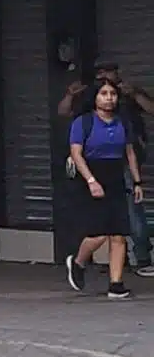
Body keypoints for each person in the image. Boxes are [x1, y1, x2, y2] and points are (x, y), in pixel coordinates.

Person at [58, 60, 154, 277]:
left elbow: (131, 146)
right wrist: (71, 94)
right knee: (100, 229)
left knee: (123, 224)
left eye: (109, 72)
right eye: (101, 74)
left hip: (118, 167)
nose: (109, 96)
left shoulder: (124, 101)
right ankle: (79, 261)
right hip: (91, 168)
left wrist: (135, 93)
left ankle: (125, 274)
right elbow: (64, 115)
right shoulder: (86, 106)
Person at [64, 78, 143, 300]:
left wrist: (136, 182)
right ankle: (78, 262)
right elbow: (76, 154)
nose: (109, 98)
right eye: (104, 94)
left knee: (119, 233)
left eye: (112, 94)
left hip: (115, 176)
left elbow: (130, 154)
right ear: (95, 98)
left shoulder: (122, 122)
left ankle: (116, 284)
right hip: (90, 175)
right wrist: (90, 180)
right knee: (98, 233)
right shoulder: (83, 122)